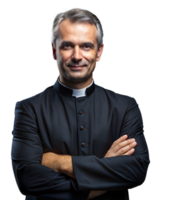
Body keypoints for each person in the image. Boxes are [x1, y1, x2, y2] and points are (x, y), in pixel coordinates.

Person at [9, 7, 151, 200]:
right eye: (67, 46)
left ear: (100, 51)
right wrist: (106, 166)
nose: (77, 56)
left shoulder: (125, 106)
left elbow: (137, 171)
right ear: (54, 51)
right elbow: (27, 179)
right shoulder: (28, 109)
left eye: (86, 46)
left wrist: (60, 163)